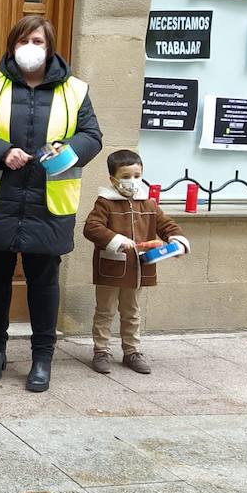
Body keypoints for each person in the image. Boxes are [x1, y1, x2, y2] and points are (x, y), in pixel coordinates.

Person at [0, 15, 102, 392]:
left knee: (44, 280)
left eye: (38, 41)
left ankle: (42, 359)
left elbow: (92, 135)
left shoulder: (74, 90)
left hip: (48, 201)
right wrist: (2, 152)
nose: (31, 48)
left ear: (50, 46)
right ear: (11, 45)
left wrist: (69, 151)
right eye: (24, 40)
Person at [83, 149, 190, 375]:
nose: (132, 181)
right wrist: (116, 239)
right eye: (125, 176)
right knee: (105, 310)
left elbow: (167, 225)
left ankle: (132, 351)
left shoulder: (148, 204)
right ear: (113, 179)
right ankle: (101, 351)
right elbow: (92, 228)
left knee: (132, 311)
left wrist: (176, 240)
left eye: (136, 175)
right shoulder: (105, 203)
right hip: (111, 268)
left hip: (138, 270)